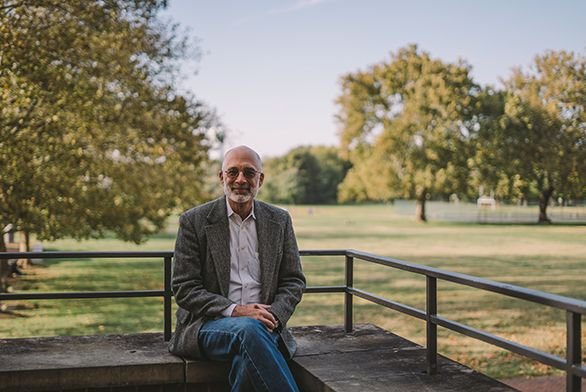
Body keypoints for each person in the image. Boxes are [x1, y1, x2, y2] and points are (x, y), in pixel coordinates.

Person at [169, 145, 306, 391]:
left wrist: (274, 315)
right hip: (207, 325)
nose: (240, 179)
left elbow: (293, 280)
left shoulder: (279, 220)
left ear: (260, 179)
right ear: (221, 177)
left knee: (248, 358)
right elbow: (184, 288)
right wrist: (236, 311)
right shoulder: (194, 221)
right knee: (249, 330)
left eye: (249, 172)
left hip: (266, 325)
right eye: (232, 172)